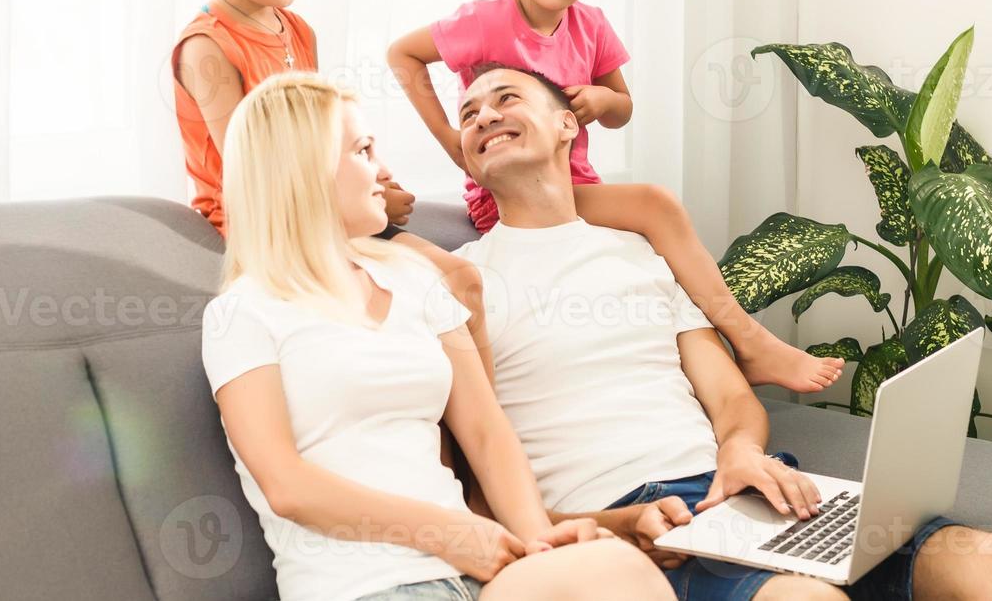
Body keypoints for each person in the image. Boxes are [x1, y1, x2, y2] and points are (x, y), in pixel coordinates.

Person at [446, 63, 992, 601]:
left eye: (506, 98)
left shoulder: (639, 251)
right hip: (637, 520)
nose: (485, 116)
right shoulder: (461, 281)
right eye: (468, 114)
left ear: (566, 126)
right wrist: (611, 527)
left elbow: (731, 396)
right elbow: (477, 493)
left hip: (741, 492)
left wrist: (739, 451)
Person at [200, 72, 675, 601]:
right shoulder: (242, 313)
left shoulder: (415, 279)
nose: (384, 171)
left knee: (613, 566)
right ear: (303, 170)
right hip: (365, 586)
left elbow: (485, 430)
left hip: (482, 574)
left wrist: (540, 538)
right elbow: (286, 486)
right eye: (363, 151)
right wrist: (446, 533)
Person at [388, 0, 843, 394]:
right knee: (654, 205)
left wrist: (602, 101)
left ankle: (718, 362)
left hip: (573, 183)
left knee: (649, 251)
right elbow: (402, 55)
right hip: (510, 196)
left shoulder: (591, 26)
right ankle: (750, 340)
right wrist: (452, 141)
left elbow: (622, 108)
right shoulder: (484, 20)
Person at [172, 0, 490, 376]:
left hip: (328, 210)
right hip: (271, 228)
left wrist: (376, 181)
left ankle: (483, 441)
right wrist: (357, 206)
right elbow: (258, 177)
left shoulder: (298, 31)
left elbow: (328, 136)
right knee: (425, 299)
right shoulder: (208, 48)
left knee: (465, 281)